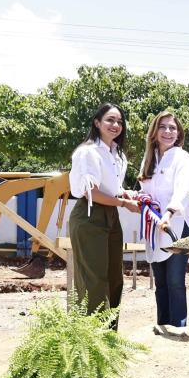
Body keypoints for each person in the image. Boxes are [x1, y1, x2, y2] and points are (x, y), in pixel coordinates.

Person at [68, 103, 140, 329]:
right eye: (110, 120)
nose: (115, 125)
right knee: (93, 281)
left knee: (114, 279)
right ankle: (90, 340)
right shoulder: (87, 152)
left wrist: (126, 194)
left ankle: (109, 337)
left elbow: (113, 188)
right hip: (89, 216)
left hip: (110, 216)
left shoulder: (117, 154)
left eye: (119, 121)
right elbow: (91, 192)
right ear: (97, 123)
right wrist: (123, 202)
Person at [138, 110, 189, 328]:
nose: (168, 131)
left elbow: (183, 190)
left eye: (173, 127)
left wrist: (169, 214)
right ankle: (163, 325)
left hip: (176, 227)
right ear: (154, 131)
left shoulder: (182, 157)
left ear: (178, 133)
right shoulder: (149, 158)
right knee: (160, 282)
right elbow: (147, 191)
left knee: (175, 282)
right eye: (163, 127)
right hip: (155, 229)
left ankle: (179, 327)